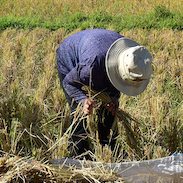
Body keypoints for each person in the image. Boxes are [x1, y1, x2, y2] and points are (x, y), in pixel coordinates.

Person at [56, 29, 152, 158]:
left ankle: (107, 150)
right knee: (81, 114)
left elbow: (118, 81)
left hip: (99, 52)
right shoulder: (91, 65)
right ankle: (78, 154)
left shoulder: (135, 58)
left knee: (109, 111)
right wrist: (83, 100)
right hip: (71, 58)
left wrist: (114, 97)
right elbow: (69, 83)